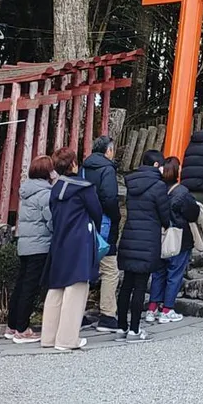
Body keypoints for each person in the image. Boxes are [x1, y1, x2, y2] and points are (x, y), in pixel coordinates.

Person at [41, 147, 101, 351]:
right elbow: (97, 213)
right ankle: (67, 340)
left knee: (56, 288)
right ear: (74, 164)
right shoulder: (84, 187)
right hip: (79, 242)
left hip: (59, 240)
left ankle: (49, 337)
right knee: (76, 288)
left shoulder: (55, 188)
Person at [116, 149, 171, 342]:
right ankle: (134, 330)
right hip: (148, 240)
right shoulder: (159, 186)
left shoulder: (131, 183)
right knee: (140, 286)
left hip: (130, 236)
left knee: (126, 285)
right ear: (156, 165)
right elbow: (165, 216)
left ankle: (121, 327)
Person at [144, 156, 200, 324]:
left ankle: (152, 308)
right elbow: (193, 214)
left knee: (158, 273)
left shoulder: (156, 189)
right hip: (178, 239)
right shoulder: (182, 192)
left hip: (158, 237)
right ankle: (167, 309)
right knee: (174, 274)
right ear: (177, 171)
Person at [7, 155, 53, 343]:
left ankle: (12, 325)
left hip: (25, 244)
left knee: (21, 285)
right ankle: (22, 329)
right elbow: (51, 220)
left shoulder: (27, 190)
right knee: (30, 288)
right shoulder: (45, 194)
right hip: (40, 245)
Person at [82, 135, 123, 333]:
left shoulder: (84, 167)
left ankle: (77, 313)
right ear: (109, 150)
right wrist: (116, 217)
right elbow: (109, 198)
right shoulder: (107, 169)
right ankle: (107, 315)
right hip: (104, 225)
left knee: (84, 268)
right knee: (110, 269)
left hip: (84, 223)